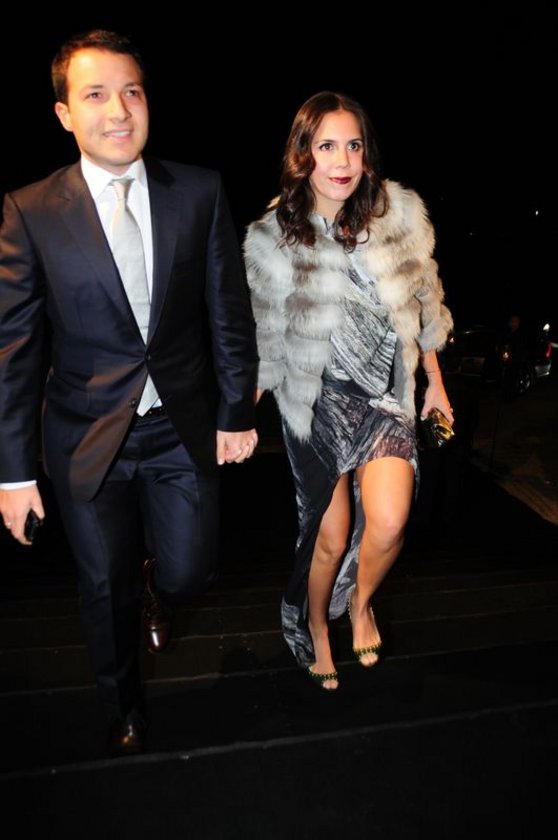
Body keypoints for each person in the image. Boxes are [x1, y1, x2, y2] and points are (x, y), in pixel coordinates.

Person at [0, 30, 258, 756]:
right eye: (96, 95)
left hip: (180, 425)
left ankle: (161, 592)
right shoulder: (30, 210)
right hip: (84, 437)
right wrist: (14, 474)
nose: (119, 110)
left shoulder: (199, 191)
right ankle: (123, 706)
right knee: (100, 587)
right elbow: (14, 351)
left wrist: (235, 411)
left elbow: (227, 310)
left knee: (191, 571)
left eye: (132, 91)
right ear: (64, 113)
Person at [244, 91, 453, 691]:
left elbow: (425, 303)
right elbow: (264, 336)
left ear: (367, 153)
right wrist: (238, 417)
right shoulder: (275, 235)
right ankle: (316, 624)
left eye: (353, 146)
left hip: (385, 394)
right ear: (303, 153)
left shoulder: (398, 214)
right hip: (314, 401)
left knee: (389, 522)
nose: (342, 161)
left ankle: (360, 604)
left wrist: (435, 383)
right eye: (327, 146)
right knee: (330, 536)